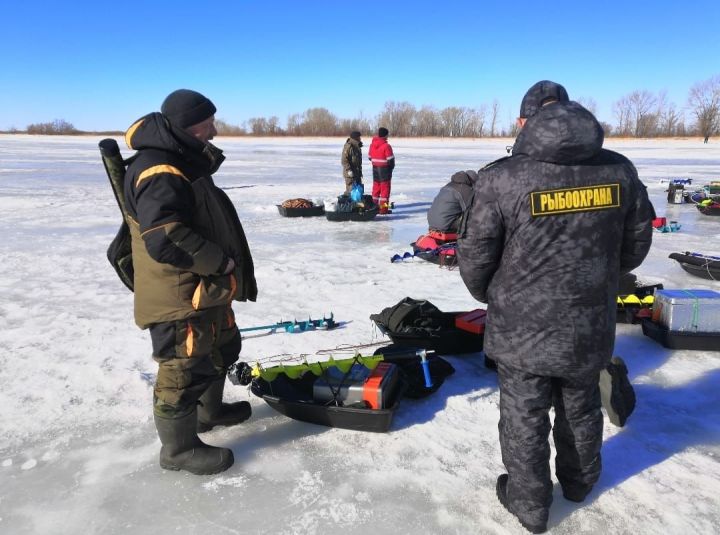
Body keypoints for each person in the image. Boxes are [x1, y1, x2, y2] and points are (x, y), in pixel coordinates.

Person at [457, 80, 654, 533]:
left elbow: (475, 254)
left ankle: (530, 505)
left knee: (524, 413)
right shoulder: (618, 170)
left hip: (522, 325)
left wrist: (493, 294)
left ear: (527, 122)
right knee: (580, 404)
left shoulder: (503, 176)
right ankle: (580, 484)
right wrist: (598, 280)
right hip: (589, 322)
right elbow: (637, 241)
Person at [123, 89, 258, 475]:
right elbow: (164, 235)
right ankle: (178, 451)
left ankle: (209, 412)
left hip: (205, 287)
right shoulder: (159, 169)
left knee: (222, 347)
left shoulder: (182, 159)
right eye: (208, 123)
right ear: (188, 125)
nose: (214, 130)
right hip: (180, 292)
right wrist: (219, 261)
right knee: (182, 367)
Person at [368, 127, 395, 214]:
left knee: (376, 190)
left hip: (375, 169)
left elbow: (369, 157)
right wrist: (391, 168)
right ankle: (383, 210)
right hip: (384, 171)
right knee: (385, 191)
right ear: (385, 135)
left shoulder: (372, 145)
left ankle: (373, 208)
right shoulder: (387, 146)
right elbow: (390, 160)